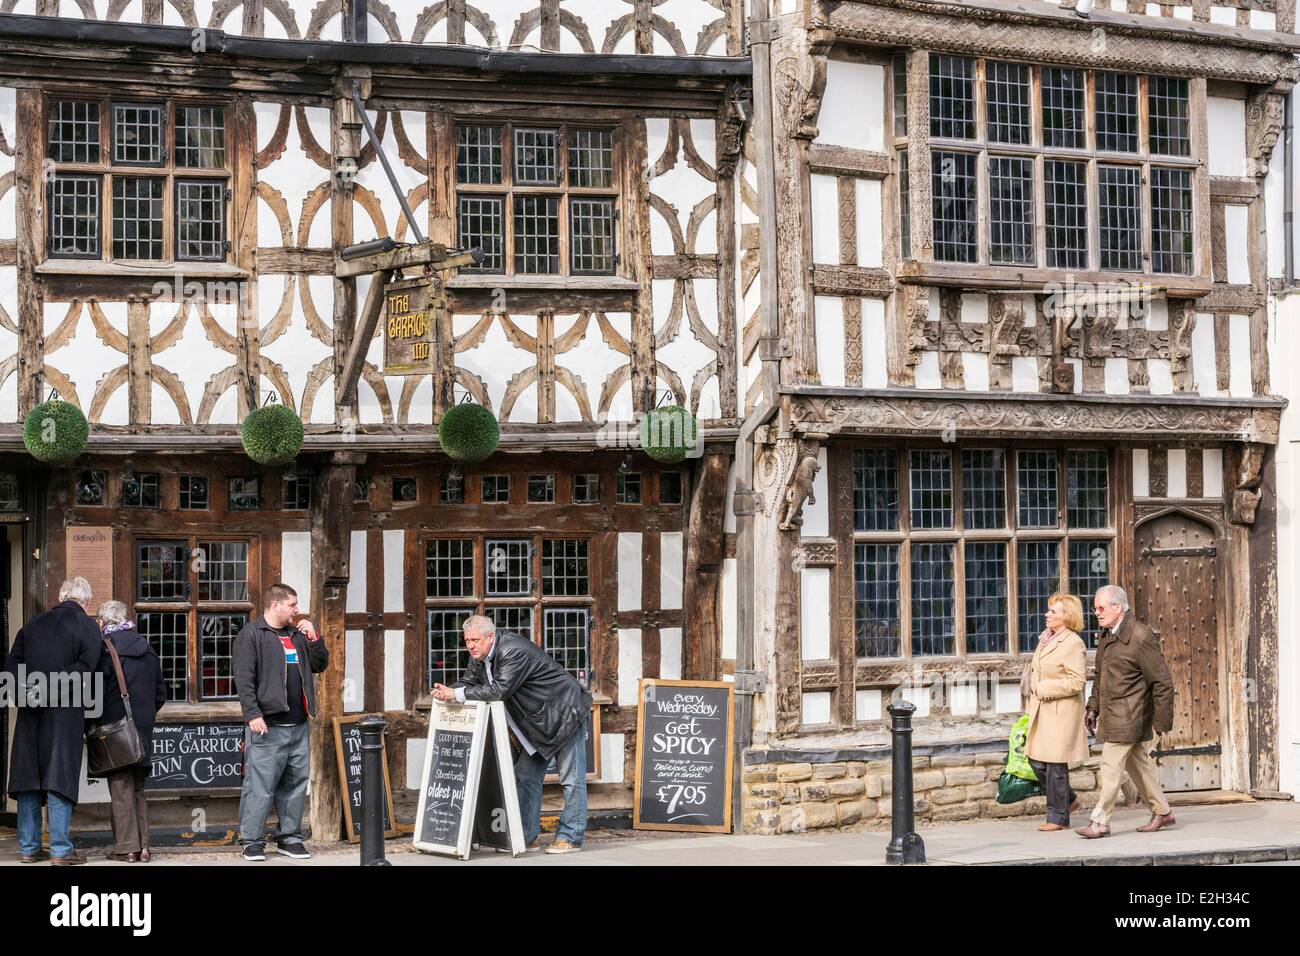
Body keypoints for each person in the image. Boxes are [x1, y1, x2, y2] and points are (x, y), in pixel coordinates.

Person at [432, 616, 592, 855]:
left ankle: (571, 837)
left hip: (565, 713)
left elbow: (499, 690)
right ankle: (526, 837)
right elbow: (468, 682)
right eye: (467, 641)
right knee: (525, 776)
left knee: (572, 779)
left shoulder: (512, 650)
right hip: (537, 723)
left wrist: (458, 695)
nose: (470, 646)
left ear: (491, 637)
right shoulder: (481, 657)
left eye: (475, 640)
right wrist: (446, 691)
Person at [3, 577, 103, 865]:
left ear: (61, 596)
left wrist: (28, 693)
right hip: (65, 713)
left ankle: (29, 848)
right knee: (59, 778)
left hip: (30, 712)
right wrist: (53, 688)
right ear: (86, 602)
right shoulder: (88, 627)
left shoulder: (32, 625)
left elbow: (11, 665)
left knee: (29, 780)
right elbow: (86, 668)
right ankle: (60, 851)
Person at [232, 583, 328, 862]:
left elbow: (320, 664)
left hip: (299, 724)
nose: (297, 610)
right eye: (292, 605)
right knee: (260, 786)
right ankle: (251, 840)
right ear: (275, 605)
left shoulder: (297, 636)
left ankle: (290, 838)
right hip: (268, 725)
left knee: (296, 784)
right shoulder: (251, 635)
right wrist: (252, 714)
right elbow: (244, 678)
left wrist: (314, 638)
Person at [1075, 584, 1176, 839]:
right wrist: (1092, 708)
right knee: (1139, 765)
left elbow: (1162, 681)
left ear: (1118, 608)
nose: (1096, 612)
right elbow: (1100, 678)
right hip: (1113, 715)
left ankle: (1100, 822)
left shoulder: (1141, 637)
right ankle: (1163, 812)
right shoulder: (1108, 636)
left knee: (1110, 766)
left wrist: (1162, 720)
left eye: (1101, 607)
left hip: (1131, 716)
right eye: (1095, 608)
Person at [92, 601, 166, 862]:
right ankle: (144, 847)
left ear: (103, 622)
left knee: (121, 787)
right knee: (138, 788)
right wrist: (144, 717)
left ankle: (126, 849)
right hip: (143, 727)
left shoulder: (105, 649)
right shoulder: (147, 649)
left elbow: (95, 694)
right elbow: (161, 694)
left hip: (115, 728)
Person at [1022, 593, 1088, 832]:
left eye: (1054, 612)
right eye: (1049, 611)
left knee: (1055, 766)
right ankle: (1069, 800)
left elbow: (1076, 681)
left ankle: (1058, 818)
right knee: (1035, 760)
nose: (1047, 614)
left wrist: (1043, 688)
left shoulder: (1073, 643)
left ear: (1067, 616)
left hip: (1061, 713)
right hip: (1042, 711)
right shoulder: (1046, 639)